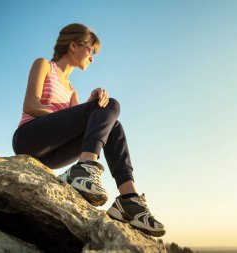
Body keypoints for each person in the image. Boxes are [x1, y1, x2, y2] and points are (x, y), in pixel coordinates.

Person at [12, 23, 165, 237]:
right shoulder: (45, 65)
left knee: (112, 123)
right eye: (90, 50)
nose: (92, 58)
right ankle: (84, 168)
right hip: (29, 138)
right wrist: (90, 110)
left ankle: (129, 201)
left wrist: (90, 105)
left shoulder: (72, 91)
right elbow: (30, 105)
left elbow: (79, 127)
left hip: (51, 157)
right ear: (73, 45)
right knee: (111, 104)